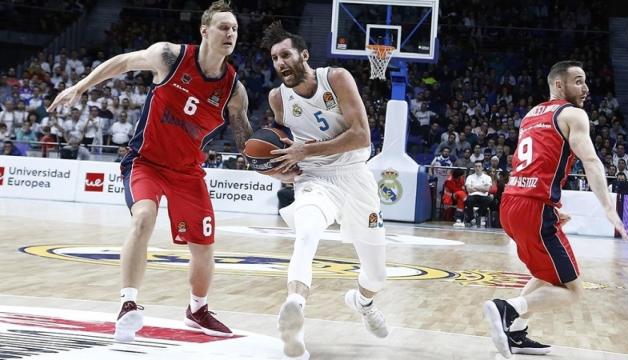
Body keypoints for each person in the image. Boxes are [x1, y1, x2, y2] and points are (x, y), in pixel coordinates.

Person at [48, 0, 253, 343]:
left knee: (203, 246)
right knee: (143, 218)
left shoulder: (234, 90)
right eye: (223, 26)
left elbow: (245, 137)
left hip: (188, 172)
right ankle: (128, 304)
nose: (229, 33)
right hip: (146, 161)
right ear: (205, 31)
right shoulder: (169, 57)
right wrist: (80, 87)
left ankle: (197, 309)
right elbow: (123, 62)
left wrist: (277, 161)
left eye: (234, 28)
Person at [484, 61, 628, 358]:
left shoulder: (531, 114)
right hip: (533, 208)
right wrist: (607, 205)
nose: (586, 88)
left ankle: (515, 333)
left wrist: (547, 206)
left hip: (512, 202)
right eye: (578, 81)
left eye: (586, 81)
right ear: (559, 85)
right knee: (574, 290)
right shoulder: (573, 114)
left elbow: (535, 161)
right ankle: (507, 309)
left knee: (544, 272)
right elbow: (590, 161)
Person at [261, 22, 388, 359]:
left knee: (377, 274)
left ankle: (362, 301)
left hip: (355, 175)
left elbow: (362, 135)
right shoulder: (278, 98)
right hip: (316, 179)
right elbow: (281, 147)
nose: (281, 62)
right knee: (307, 232)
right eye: (274, 58)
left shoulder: (336, 78)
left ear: (304, 54)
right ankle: (294, 308)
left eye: (285, 54)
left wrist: (306, 151)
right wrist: (281, 169)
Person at [464, 161, 492, 227]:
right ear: (474, 168)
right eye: (476, 166)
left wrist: (474, 187)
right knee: (468, 200)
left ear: (482, 168)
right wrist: (481, 188)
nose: (477, 168)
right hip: (472, 195)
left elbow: (487, 189)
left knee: (488, 200)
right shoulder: (470, 177)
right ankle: (472, 218)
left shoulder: (487, 177)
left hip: (483, 196)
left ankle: (480, 215)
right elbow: (468, 189)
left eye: (479, 166)